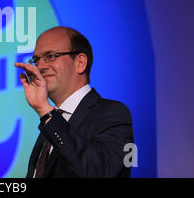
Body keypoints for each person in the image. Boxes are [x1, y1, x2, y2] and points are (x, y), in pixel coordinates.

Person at [14, 26, 134, 178]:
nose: (40, 67)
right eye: (36, 60)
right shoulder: (50, 123)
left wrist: (45, 110)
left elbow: (102, 173)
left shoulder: (113, 114)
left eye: (50, 56)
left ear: (80, 63)